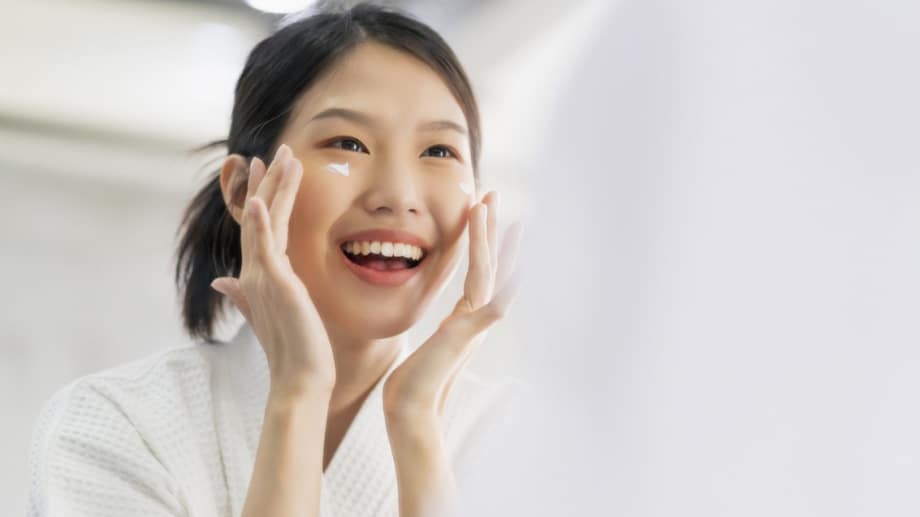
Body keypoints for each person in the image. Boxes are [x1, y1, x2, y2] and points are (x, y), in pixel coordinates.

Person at [26, 3, 523, 516]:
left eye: (439, 151)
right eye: (348, 143)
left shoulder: (521, 439)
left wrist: (416, 426)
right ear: (244, 191)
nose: (399, 196)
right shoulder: (115, 425)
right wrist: (297, 395)